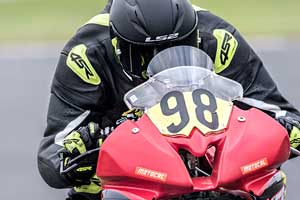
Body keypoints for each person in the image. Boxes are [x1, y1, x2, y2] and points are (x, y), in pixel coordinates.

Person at [37, 0, 300, 199]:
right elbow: (52, 156)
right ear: (118, 45)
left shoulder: (218, 39)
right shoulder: (86, 54)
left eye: (180, 44)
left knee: (268, 180)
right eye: (143, 52)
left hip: (215, 170)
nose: (158, 58)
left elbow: (284, 115)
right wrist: (86, 144)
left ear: (194, 36)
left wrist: (280, 129)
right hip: (129, 180)